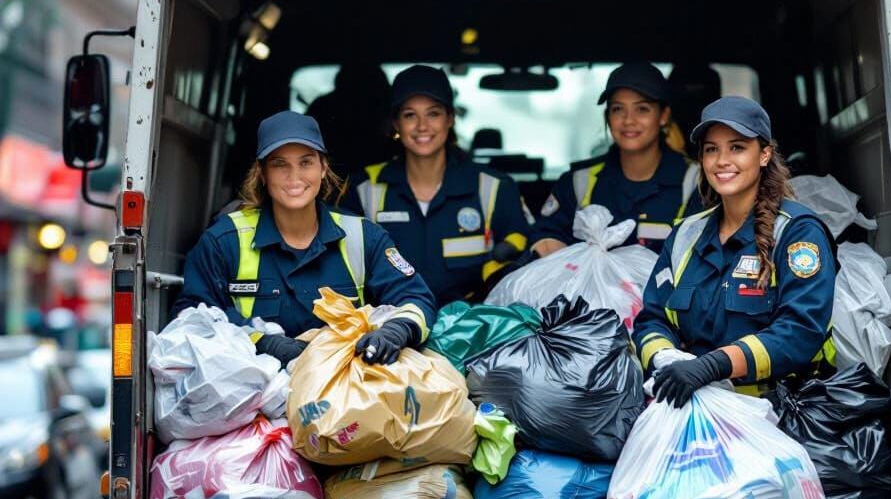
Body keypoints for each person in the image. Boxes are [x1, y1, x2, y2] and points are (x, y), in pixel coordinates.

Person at [174, 111, 436, 366]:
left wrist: (395, 331)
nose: (294, 177)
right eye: (280, 165)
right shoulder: (224, 241)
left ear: (323, 168)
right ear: (263, 174)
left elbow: (416, 298)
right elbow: (192, 316)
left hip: (348, 396)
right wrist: (259, 342)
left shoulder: (362, 237)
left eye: (306, 162)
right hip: (252, 398)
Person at [633, 95, 837, 406]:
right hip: (694, 408)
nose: (722, 160)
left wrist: (712, 366)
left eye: (737, 147)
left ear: (765, 155)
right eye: (711, 149)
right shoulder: (686, 233)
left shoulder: (797, 233)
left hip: (777, 413)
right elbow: (652, 319)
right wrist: (664, 358)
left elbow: (800, 331)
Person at [346, 65, 531, 305]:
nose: (422, 126)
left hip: (472, 330)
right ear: (396, 124)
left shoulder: (494, 187)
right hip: (388, 329)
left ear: (450, 118)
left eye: (433, 113)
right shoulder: (365, 188)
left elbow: (526, 265)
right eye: (410, 115)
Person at [529, 62, 703, 257]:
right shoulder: (579, 183)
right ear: (608, 116)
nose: (628, 120)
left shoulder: (696, 183)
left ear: (663, 116)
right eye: (618, 109)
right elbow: (544, 239)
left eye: (642, 109)